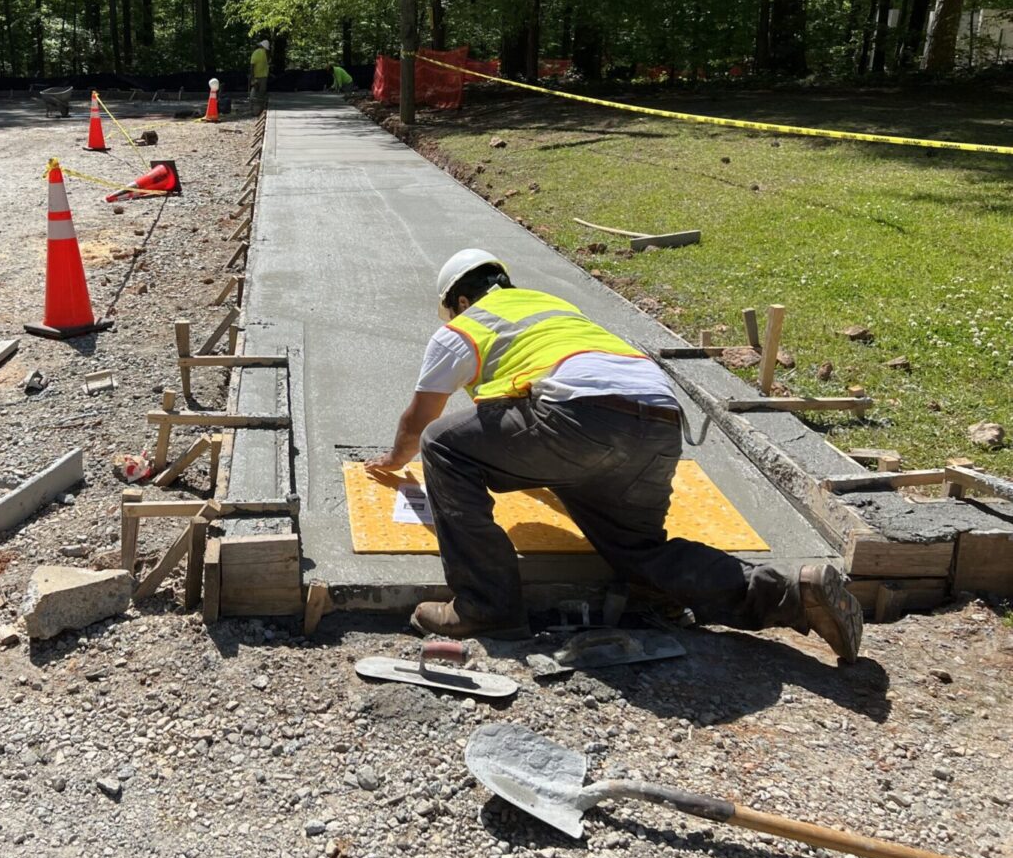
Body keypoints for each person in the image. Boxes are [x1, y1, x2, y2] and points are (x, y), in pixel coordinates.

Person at [364, 248, 863, 660]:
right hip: (659, 423)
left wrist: (393, 459)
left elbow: (420, 419)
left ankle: (485, 606)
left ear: (461, 299)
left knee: (443, 447)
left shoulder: (463, 327)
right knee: (637, 551)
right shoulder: (555, 309)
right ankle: (794, 592)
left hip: (580, 419)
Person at [248, 39, 271, 113]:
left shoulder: (258, 52)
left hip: (258, 76)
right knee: (259, 93)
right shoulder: (262, 53)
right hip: (261, 77)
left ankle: (255, 109)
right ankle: (257, 109)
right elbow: (252, 65)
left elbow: (252, 65)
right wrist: (253, 77)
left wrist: (252, 77)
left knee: (256, 94)